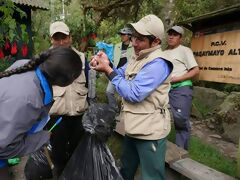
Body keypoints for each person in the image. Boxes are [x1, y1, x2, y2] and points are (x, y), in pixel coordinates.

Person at [91, 14, 173, 180]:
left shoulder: (159, 63)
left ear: (156, 41)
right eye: (134, 37)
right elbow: (120, 74)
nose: (134, 43)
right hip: (133, 127)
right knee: (126, 170)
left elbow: (134, 93)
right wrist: (107, 64)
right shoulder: (138, 57)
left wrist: (108, 70)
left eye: (140, 39)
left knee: (152, 177)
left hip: (150, 133)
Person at [0, 46, 82, 180]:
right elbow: (5, 147)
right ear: (66, 80)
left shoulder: (23, 65)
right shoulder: (30, 99)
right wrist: (41, 138)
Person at [47, 21, 89, 177]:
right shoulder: (46, 61)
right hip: (57, 117)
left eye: (64, 37)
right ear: (51, 40)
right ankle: (60, 174)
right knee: (58, 154)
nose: (61, 42)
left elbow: (89, 85)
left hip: (79, 114)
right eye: (56, 38)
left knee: (77, 151)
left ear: (70, 37)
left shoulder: (82, 58)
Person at [164, 25, 199, 150]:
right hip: (165, 89)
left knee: (180, 119)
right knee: (162, 116)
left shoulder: (185, 50)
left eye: (175, 34)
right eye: (170, 34)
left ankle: (181, 151)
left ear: (180, 38)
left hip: (181, 88)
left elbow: (195, 70)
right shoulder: (163, 52)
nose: (171, 36)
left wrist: (177, 78)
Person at [106, 27, 133, 110]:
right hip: (116, 72)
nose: (121, 36)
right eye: (121, 34)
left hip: (128, 73)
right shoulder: (117, 46)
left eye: (123, 34)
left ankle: (124, 112)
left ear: (129, 36)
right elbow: (114, 59)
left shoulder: (134, 46)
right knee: (109, 92)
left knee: (125, 94)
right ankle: (113, 110)